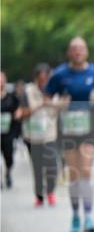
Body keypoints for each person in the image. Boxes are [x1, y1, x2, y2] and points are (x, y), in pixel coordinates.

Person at [46, 37, 94, 232]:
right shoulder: (59, 74)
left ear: (87, 52)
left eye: (81, 49)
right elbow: (47, 98)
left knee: (86, 170)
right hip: (68, 129)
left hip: (90, 128)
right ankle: (75, 215)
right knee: (74, 173)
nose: (77, 52)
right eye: (74, 49)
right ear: (69, 53)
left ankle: (89, 216)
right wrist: (58, 105)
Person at [20, 64, 60, 206]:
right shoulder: (28, 91)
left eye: (46, 78)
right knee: (37, 168)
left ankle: (50, 192)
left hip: (50, 135)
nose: (44, 82)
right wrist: (39, 105)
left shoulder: (56, 90)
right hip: (33, 136)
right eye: (41, 79)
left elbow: (61, 108)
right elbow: (22, 112)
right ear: (36, 78)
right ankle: (39, 196)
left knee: (52, 167)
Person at [1, 71, 20, 188]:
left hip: (8, 131)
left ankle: (8, 172)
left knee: (9, 156)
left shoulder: (11, 96)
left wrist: (18, 113)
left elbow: (18, 109)